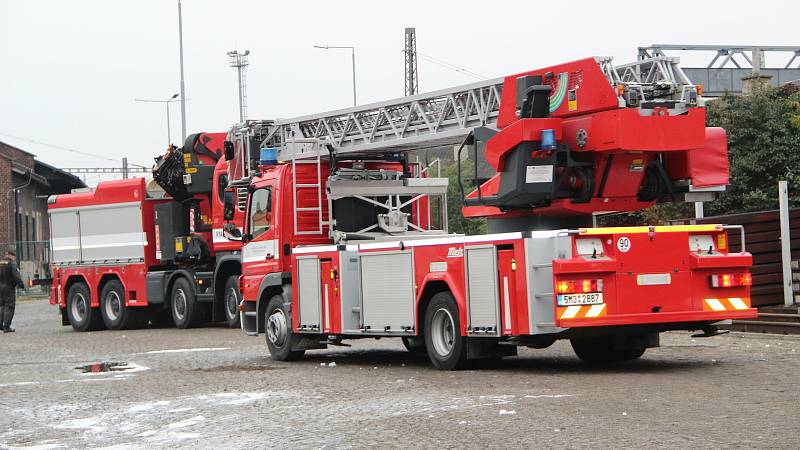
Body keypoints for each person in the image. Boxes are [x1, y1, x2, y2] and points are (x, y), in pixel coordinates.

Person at [0, 250, 24, 333]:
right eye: (14, 257)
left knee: (2, 306)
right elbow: (16, 276)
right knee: (9, 306)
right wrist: (21, 285)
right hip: (9, 287)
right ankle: (6, 326)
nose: (14, 259)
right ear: (11, 256)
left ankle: (0, 325)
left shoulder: (0, 263)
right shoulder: (12, 264)